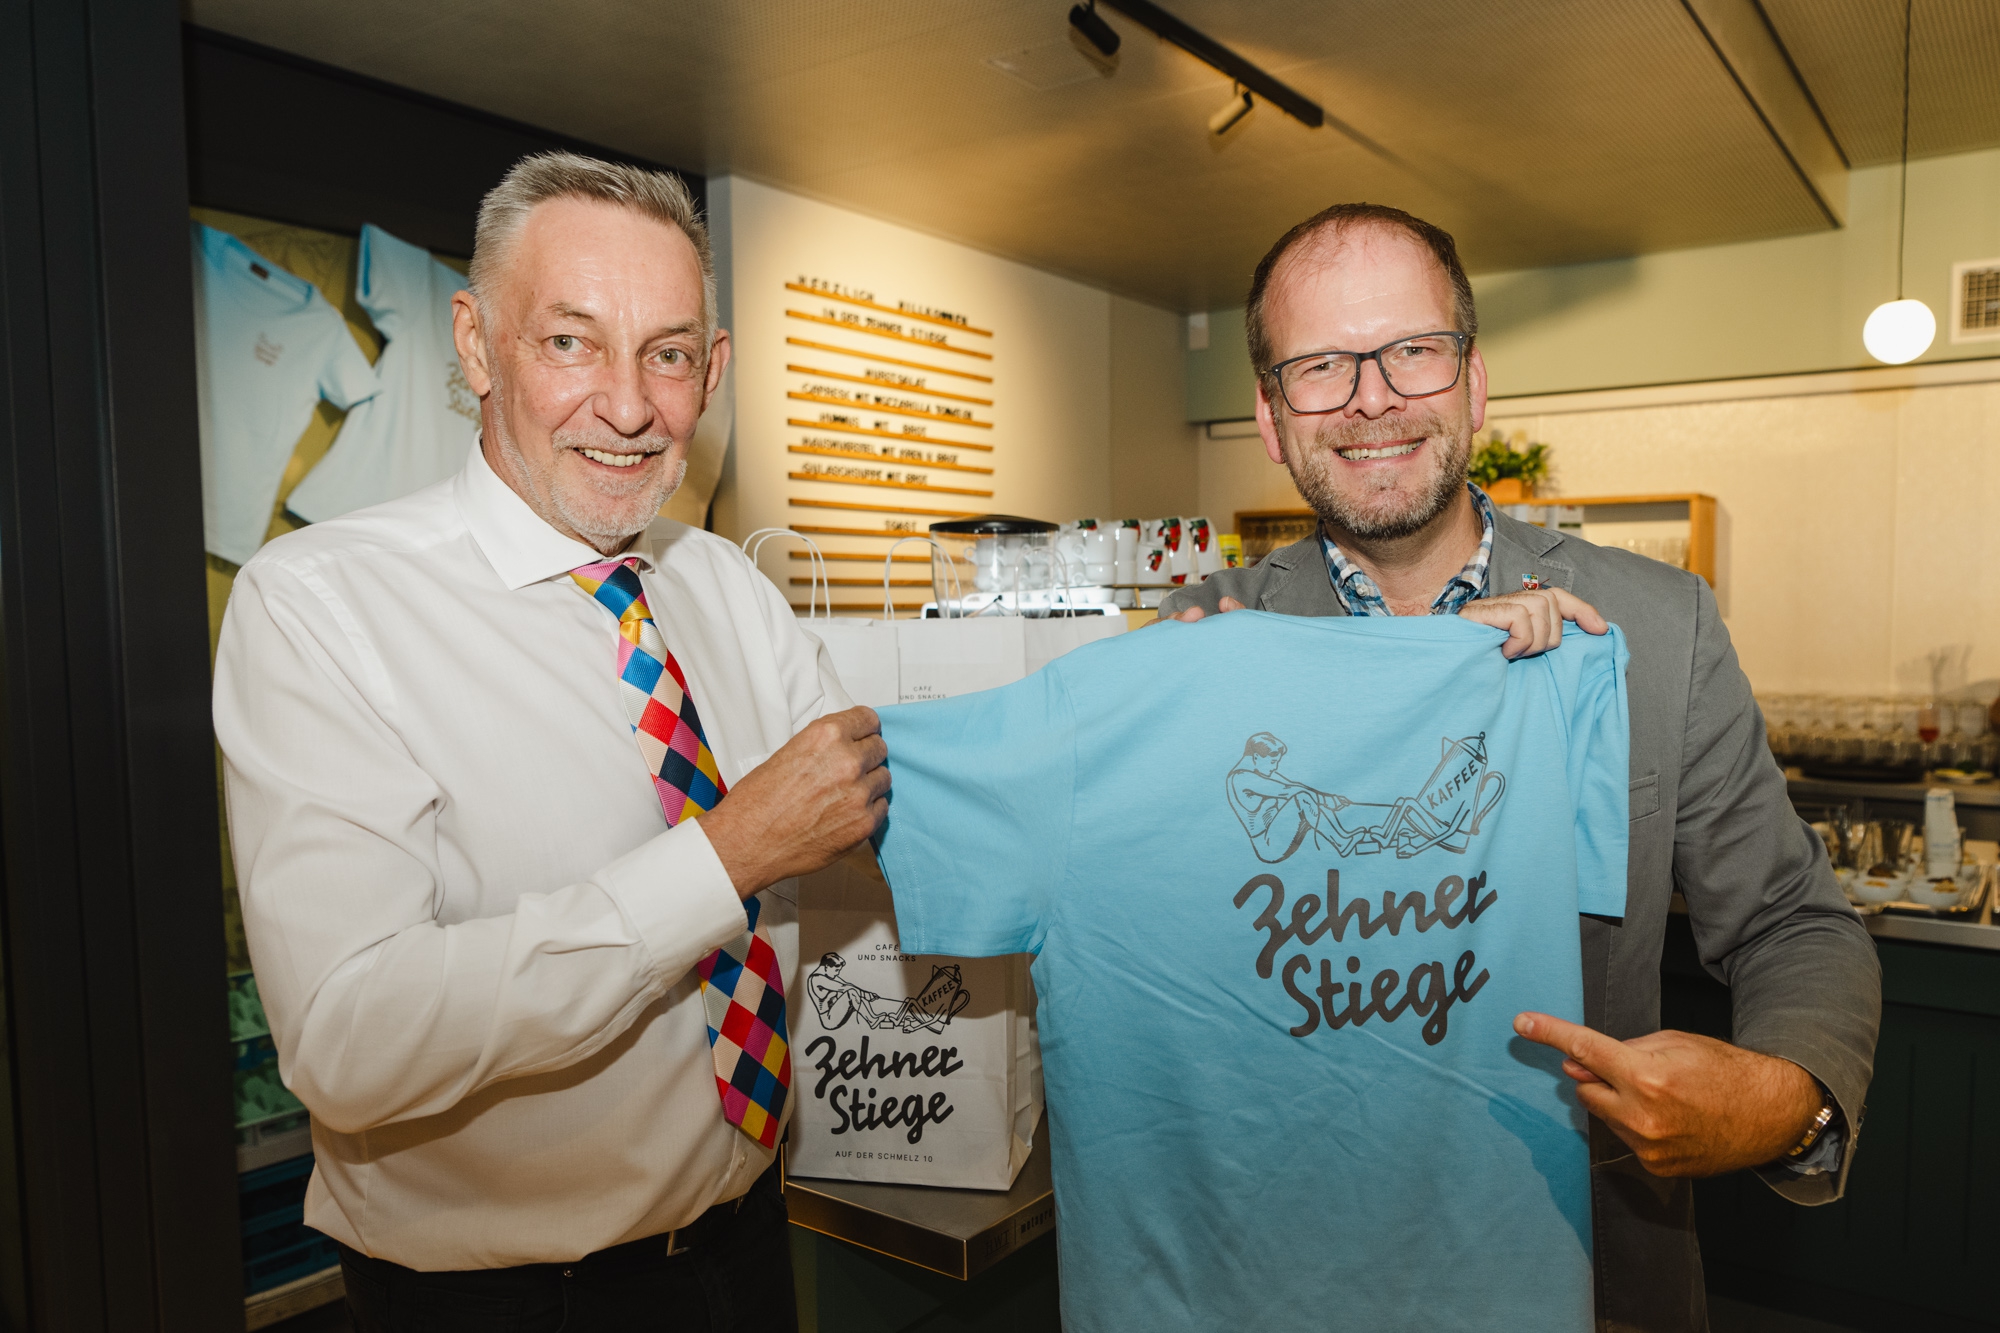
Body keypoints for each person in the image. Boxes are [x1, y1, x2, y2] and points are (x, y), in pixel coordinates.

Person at [1159, 202, 1880, 1331]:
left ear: (1472, 381)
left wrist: (1782, 1100)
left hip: (1581, 1271)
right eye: (1318, 365)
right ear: (1265, 413)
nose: (1371, 396)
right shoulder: (1195, 644)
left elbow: (1793, 919)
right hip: (1280, 1275)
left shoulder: (1653, 625)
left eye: (1411, 349)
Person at [214, 153, 888, 1332]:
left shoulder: (725, 585)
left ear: (712, 371)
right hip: (498, 1306)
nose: (627, 407)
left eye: (668, 354)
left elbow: (858, 836)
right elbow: (348, 1039)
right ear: (475, 347)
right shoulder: (317, 603)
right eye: (570, 342)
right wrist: (718, 860)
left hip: (745, 1250)